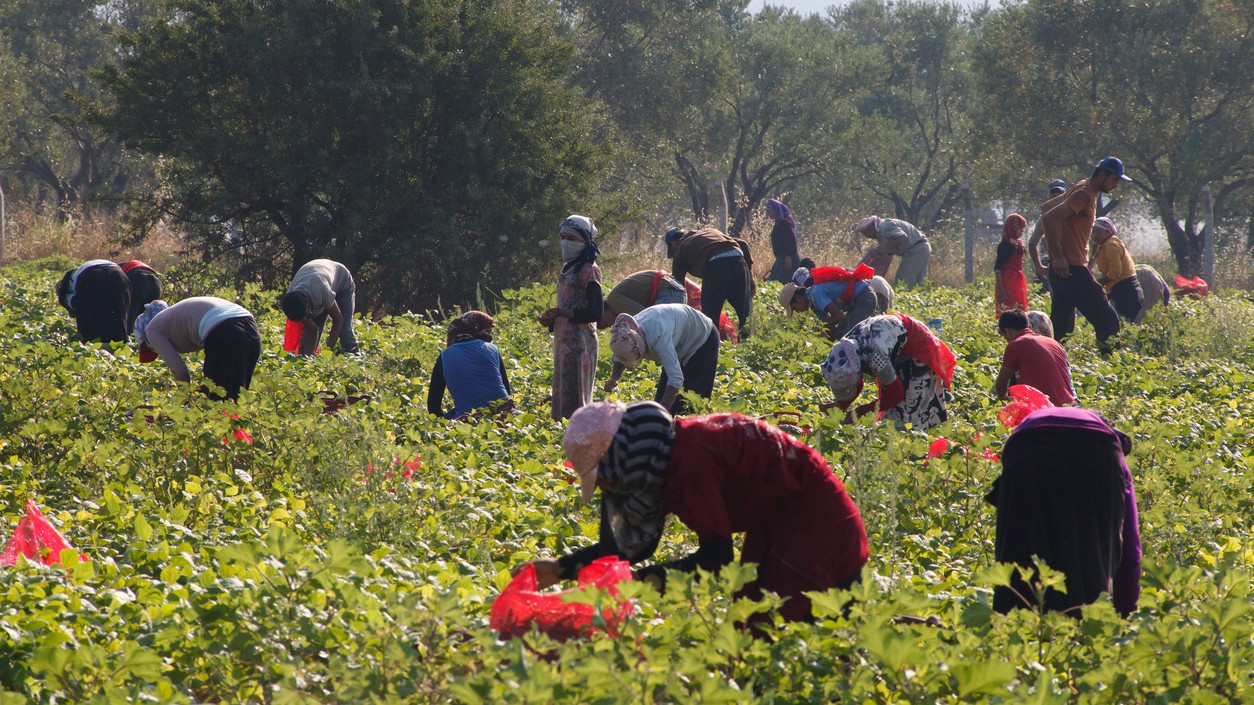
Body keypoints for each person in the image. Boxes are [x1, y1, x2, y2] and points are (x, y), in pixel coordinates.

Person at [515, 401, 869, 623]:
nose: (608, 488)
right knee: (752, 623)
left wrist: (642, 583)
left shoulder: (689, 462)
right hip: (776, 518)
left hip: (815, 521)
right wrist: (559, 569)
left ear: (621, 456)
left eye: (604, 477)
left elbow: (717, 557)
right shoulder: (657, 457)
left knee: (784, 628)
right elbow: (621, 550)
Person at [986, 407, 1141, 617]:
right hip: (1096, 452)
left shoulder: (1102, 437)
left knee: (1017, 551)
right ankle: (1086, 624)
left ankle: (1011, 627)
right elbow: (1130, 549)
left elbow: (1008, 535)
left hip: (1026, 447)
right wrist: (1125, 615)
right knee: (1093, 555)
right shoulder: (1109, 443)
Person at [1041, 157, 1129, 350]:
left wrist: (1057, 257)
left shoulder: (1082, 187)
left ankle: (1053, 363)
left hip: (1061, 271)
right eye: (1114, 180)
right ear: (1102, 175)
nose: (1115, 185)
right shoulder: (1084, 194)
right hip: (1071, 269)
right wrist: (1059, 256)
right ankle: (1111, 362)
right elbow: (1049, 217)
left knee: (1061, 328)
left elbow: (1046, 207)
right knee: (1108, 320)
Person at [821, 314, 956, 431]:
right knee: (890, 417)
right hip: (898, 344)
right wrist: (841, 406)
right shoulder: (846, 348)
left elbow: (896, 394)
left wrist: (860, 411)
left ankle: (910, 455)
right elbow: (858, 382)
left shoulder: (875, 356)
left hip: (919, 349)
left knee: (906, 418)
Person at [540, 215, 604, 420]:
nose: (566, 242)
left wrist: (561, 313)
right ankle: (561, 436)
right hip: (564, 342)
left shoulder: (589, 270)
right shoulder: (569, 268)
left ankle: (579, 436)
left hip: (581, 343)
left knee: (578, 394)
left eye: (572, 238)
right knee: (563, 390)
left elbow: (596, 313)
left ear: (584, 241)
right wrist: (553, 319)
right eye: (563, 237)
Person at [134, 297, 261, 401]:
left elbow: (180, 371)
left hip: (224, 331)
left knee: (218, 403)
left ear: (144, 338)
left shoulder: (151, 329)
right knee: (236, 397)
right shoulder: (174, 319)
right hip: (250, 327)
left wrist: (183, 399)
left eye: (149, 348)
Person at [605, 305, 719, 415]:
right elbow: (620, 355)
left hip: (702, 337)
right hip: (679, 339)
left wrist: (661, 411)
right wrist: (615, 377)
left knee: (691, 404)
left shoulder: (658, 336)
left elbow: (676, 379)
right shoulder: (624, 332)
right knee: (662, 399)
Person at [666, 226, 754, 339]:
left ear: (673, 243)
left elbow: (678, 286)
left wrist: (681, 311)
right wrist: (750, 277)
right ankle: (746, 343)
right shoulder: (708, 232)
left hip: (716, 265)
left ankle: (713, 346)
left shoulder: (681, 248)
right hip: (738, 260)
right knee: (743, 311)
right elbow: (742, 244)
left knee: (710, 313)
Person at [427, 311, 512, 420]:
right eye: (487, 331)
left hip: (469, 420)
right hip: (505, 415)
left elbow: (433, 407)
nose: (490, 336)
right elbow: (506, 393)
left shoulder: (444, 357)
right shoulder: (493, 349)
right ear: (474, 329)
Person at [993, 310, 1076, 406]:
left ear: (1007, 331)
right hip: (1069, 405)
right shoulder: (1054, 343)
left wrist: (1004, 399)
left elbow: (1002, 382)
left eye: (1004, 337)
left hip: (1044, 408)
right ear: (1029, 327)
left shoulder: (1016, 344)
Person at [779, 264, 882, 340]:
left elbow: (839, 316)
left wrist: (821, 332)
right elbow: (829, 329)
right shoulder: (813, 305)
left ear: (798, 298)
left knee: (848, 339)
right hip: (856, 303)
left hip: (864, 297)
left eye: (794, 308)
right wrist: (821, 338)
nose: (797, 311)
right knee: (838, 335)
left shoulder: (815, 293)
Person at [280, 259, 360, 355]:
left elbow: (338, 320)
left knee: (344, 332)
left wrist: (326, 353)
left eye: (305, 315)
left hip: (342, 282)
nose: (306, 319)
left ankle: (355, 356)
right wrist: (307, 356)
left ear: (306, 303)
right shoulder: (292, 299)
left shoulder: (321, 289)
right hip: (318, 277)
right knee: (303, 348)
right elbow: (312, 329)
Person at [55, 259, 131, 344]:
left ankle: (92, 347)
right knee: (119, 314)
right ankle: (120, 344)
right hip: (119, 275)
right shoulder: (73, 276)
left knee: (89, 326)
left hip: (92, 276)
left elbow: (79, 308)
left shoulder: (64, 293)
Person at [1089, 218, 1144, 323]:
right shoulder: (1104, 245)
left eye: (1099, 232)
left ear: (1108, 232)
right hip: (1119, 289)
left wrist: (1095, 283)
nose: (1095, 235)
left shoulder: (1111, 245)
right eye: (1093, 232)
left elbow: (1114, 273)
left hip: (1126, 290)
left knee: (1130, 324)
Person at [853, 216, 931, 288]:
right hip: (922, 247)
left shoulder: (885, 226)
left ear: (871, 227)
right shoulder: (880, 233)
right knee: (919, 282)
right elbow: (891, 250)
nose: (866, 236)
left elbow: (902, 237)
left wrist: (886, 248)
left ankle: (902, 300)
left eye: (866, 233)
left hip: (915, 249)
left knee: (902, 281)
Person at [600, 270, 688, 329]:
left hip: (669, 293)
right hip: (674, 292)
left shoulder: (614, 300)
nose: (612, 326)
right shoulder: (615, 299)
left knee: (655, 331)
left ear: (604, 315)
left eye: (607, 324)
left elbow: (644, 317)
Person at [1028, 179, 1069, 291]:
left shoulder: (1072, 214)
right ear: (1049, 196)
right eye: (1054, 195)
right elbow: (1032, 243)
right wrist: (1039, 266)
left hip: (1073, 263)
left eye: (1059, 195)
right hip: (1055, 265)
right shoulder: (1044, 219)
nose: (1056, 198)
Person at [994, 214, 1030, 315]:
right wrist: (1001, 290)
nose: (1022, 232)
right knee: (1010, 310)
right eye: (1021, 229)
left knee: (1020, 309)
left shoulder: (1017, 245)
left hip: (1017, 281)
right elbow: (997, 269)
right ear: (1014, 228)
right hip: (1007, 282)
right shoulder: (1006, 246)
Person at [118, 260, 162, 334]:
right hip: (155, 281)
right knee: (150, 314)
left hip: (138, 277)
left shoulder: (113, 270)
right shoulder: (122, 266)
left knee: (130, 313)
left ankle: (126, 340)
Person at [764, 199, 800, 283]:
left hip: (788, 258)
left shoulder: (785, 223)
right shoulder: (778, 223)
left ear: (775, 210)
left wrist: (788, 257)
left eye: (769, 210)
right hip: (782, 257)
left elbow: (791, 241)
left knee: (779, 281)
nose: (768, 213)